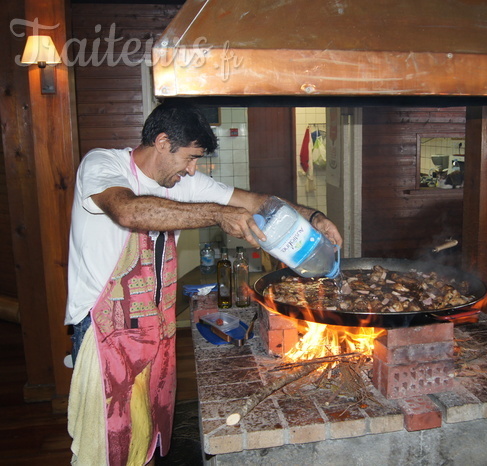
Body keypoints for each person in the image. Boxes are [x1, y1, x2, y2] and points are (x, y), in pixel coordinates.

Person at [65, 99, 343, 465]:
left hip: (157, 326)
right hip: (105, 329)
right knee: (104, 441)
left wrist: (314, 217)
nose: (193, 170)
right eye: (190, 158)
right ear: (163, 143)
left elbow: (258, 203)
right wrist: (215, 213)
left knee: (144, 433)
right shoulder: (103, 164)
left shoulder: (186, 181)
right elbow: (128, 211)